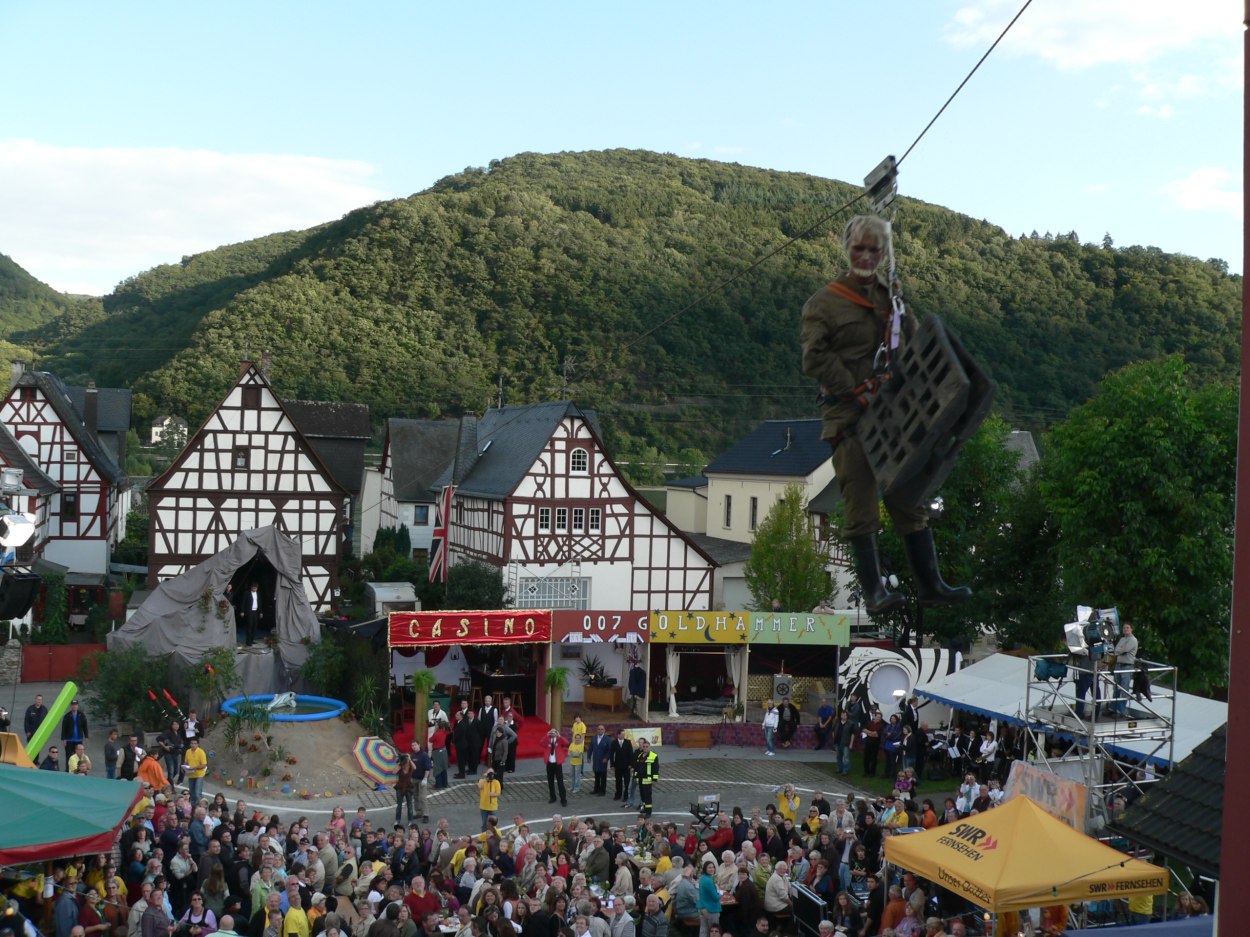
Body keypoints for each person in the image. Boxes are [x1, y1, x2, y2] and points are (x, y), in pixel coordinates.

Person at [800, 214, 970, 614]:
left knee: (909, 500)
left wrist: (903, 316)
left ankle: (932, 585)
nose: (865, 256)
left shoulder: (887, 296)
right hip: (849, 418)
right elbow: (814, 357)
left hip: (893, 416)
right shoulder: (823, 303)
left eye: (873, 249)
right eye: (858, 248)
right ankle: (875, 592)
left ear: (881, 253)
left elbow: (909, 345)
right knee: (861, 506)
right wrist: (853, 391)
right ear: (847, 248)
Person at [1110, 623, 1138, 715]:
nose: (1125, 629)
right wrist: (1119, 650)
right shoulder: (1122, 639)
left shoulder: (1133, 640)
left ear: (1131, 629)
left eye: (1127, 627)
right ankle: (1113, 708)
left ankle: (1120, 710)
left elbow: (1123, 650)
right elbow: (1116, 650)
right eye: (1124, 627)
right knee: (1116, 688)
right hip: (1118, 665)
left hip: (1127, 666)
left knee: (1124, 689)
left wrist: (1119, 650)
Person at [633, 738, 659, 818]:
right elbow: (636, 767)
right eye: (644, 746)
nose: (645, 748)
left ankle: (648, 811)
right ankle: (645, 808)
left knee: (647, 796)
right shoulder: (640, 755)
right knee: (642, 795)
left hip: (648, 780)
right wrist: (635, 776)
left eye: (647, 746)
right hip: (640, 779)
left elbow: (655, 768)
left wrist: (654, 779)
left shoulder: (653, 756)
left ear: (649, 747)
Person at [61, 699, 90, 771]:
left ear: (77, 706)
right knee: (69, 756)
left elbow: (85, 726)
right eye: (73, 705)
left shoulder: (81, 715)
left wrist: (86, 736)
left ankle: (79, 770)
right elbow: (64, 728)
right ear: (71, 706)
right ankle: (68, 771)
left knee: (80, 756)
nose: (74, 706)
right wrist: (64, 739)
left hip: (78, 740)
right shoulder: (67, 716)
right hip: (69, 740)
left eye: (76, 705)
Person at [544, 729, 570, 807]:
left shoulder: (559, 740)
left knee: (560, 782)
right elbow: (541, 743)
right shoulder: (548, 740)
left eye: (554, 732)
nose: (553, 734)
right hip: (549, 763)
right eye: (551, 732)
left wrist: (559, 736)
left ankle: (563, 799)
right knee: (550, 781)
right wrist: (546, 735)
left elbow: (566, 743)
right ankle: (553, 797)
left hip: (557, 764)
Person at [695, 862, 720, 937]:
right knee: (714, 931)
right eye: (709, 867)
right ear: (705, 869)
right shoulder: (708, 880)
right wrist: (720, 893)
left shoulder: (702, 878)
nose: (712, 869)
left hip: (702, 907)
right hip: (710, 909)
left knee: (703, 930)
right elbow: (715, 897)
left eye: (713, 867)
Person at [611, 730, 634, 805]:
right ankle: (618, 794)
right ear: (618, 735)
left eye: (624, 734)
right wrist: (612, 764)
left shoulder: (628, 742)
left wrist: (631, 764)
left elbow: (631, 753)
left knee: (626, 782)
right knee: (618, 781)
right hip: (617, 766)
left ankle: (626, 795)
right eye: (622, 734)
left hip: (626, 766)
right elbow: (611, 754)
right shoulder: (614, 743)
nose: (623, 736)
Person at [183, 738, 208, 803]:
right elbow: (186, 762)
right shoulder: (188, 751)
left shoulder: (201, 752)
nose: (193, 745)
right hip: (191, 774)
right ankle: (194, 807)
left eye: (195, 743)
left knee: (197, 793)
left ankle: (201, 807)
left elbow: (204, 765)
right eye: (192, 743)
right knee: (191, 793)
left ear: (198, 744)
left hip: (199, 774)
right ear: (190, 744)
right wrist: (185, 767)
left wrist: (194, 768)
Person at [590, 726, 612, 796]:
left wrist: (606, 758)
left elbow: (610, 750)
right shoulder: (594, 738)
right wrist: (588, 756)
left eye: (601, 729)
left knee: (603, 776)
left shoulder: (608, 739)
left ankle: (602, 791)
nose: (600, 730)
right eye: (599, 729)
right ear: (597, 730)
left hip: (603, 760)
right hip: (596, 760)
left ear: (604, 730)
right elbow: (590, 748)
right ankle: (596, 789)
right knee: (596, 775)